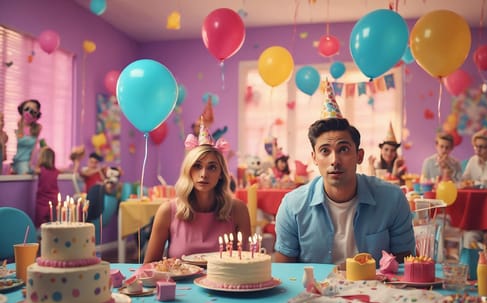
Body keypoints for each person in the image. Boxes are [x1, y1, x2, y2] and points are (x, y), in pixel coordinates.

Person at [274, 83, 415, 267]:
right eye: (325, 150)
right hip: (314, 293)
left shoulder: (392, 199)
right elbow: (285, 273)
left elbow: (406, 268)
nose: (335, 160)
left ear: (359, 156)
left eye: (344, 149)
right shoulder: (292, 206)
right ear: (314, 158)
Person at [143, 120, 251, 263]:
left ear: (221, 174)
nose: (204, 174)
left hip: (224, 285)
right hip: (180, 285)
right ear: (188, 170)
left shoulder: (238, 210)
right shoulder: (167, 211)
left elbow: (247, 265)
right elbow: (149, 267)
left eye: (212, 167)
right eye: (197, 166)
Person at [11, 99, 43, 174]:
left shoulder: (37, 128)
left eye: (32, 111)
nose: (28, 113)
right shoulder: (20, 127)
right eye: (26, 109)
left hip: (31, 163)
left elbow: (39, 145)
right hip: (19, 161)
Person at [34, 146, 60, 228]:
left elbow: (31, 168)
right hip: (53, 201)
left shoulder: (40, 170)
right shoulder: (56, 171)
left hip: (42, 202)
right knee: (53, 224)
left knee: (41, 226)